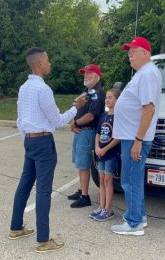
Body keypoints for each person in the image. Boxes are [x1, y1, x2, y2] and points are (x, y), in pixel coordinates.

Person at [9, 47, 87, 253]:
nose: (50, 63)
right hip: (43, 143)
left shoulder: (24, 88)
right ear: (40, 64)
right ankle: (43, 240)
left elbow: (19, 120)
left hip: (30, 141)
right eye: (48, 60)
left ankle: (16, 227)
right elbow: (58, 121)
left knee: (25, 184)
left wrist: (26, 139)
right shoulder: (43, 89)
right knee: (43, 190)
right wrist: (76, 107)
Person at [110, 37, 162, 235]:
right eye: (128, 51)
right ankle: (139, 216)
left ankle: (133, 224)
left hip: (135, 138)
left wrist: (138, 140)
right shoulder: (144, 73)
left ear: (146, 53)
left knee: (130, 180)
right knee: (134, 178)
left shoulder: (148, 74)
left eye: (134, 51)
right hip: (132, 136)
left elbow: (148, 108)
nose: (129, 55)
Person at [68, 64, 106, 208]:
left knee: (84, 165)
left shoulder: (96, 93)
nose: (86, 76)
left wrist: (74, 123)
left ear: (97, 76)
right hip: (81, 131)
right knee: (80, 163)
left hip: (88, 131)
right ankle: (80, 190)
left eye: (89, 73)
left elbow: (91, 116)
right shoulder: (87, 92)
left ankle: (85, 196)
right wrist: (75, 123)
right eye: (84, 73)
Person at [89, 88, 121, 221]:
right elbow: (98, 133)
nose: (107, 100)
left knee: (108, 180)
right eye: (106, 97)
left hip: (110, 153)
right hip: (100, 152)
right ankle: (101, 207)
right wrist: (97, 147)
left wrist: (105, 149)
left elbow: (118, 137)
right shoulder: (104, 116)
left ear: (117, 100)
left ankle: (108, 209)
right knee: (101, 179)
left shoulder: (118, 116)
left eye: (110, 97)